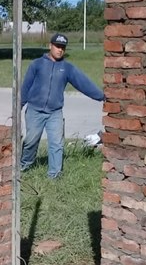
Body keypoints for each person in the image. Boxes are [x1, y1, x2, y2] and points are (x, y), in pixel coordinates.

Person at [20, 33, 104, 179]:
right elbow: (25, 87)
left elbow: (83, 83)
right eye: (57, 46)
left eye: (63, 48)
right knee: (30, 142)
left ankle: (54, 175)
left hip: (55, 112)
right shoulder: (37, 64)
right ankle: (25, 166)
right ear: (50, 46)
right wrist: (19, 105)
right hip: (35, 110)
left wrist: (101, 96)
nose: (60, 50)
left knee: (57, 144)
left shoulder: (67, 68)